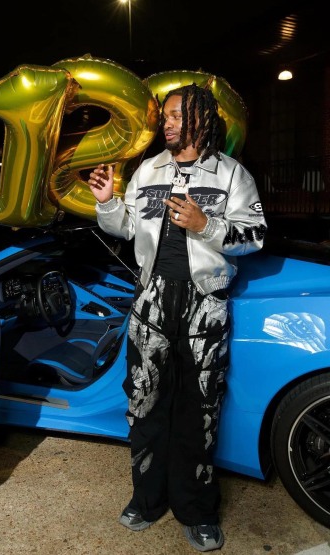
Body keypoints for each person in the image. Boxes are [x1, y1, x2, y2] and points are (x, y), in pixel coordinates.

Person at [88, 83, 267, 552]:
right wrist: (107, 202)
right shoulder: (148, 169)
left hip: (205, 303)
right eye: (164, 116)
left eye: (174, 115)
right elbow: (126, 227)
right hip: (151, 301)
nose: (164, 123)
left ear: (201, 119)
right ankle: (146, 500)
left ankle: (197, 510)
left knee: (199, 408)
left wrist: (206, 225)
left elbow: (255, 236)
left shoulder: (231, 174)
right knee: (144, 401)